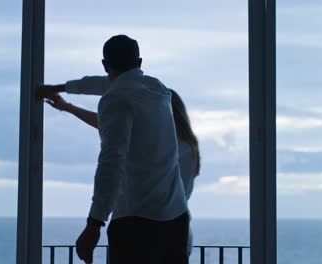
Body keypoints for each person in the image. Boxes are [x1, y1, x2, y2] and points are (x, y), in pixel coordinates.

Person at [36, 35, 190, 264]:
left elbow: (111, 163)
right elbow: (107, 87)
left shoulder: (115, 100)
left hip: (136, 222)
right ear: (140, 63)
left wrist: (94, 224)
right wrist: (63, 92)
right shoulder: (157, 89)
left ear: (105, 65)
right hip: (175, 218)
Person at [46, 89, 201, 256]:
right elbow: (110, 123)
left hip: (154, 229)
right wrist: (68, 107)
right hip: (169, 229)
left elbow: (110, 125)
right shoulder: (181, 146)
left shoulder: (179, 148)